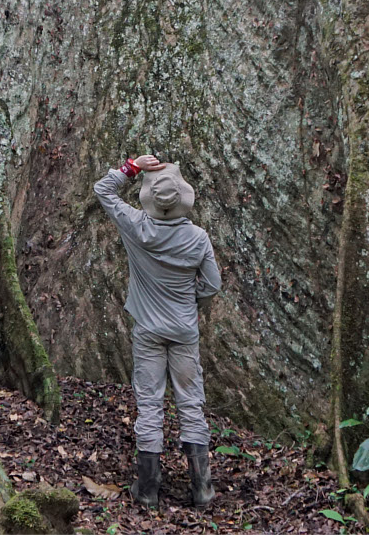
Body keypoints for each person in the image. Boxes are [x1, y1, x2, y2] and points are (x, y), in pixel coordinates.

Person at [93, 154, 222, 509]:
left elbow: (103, 191)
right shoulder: (198, 238)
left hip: (148, 330)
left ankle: (148, 489)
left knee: (150, 404)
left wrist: (132, 167)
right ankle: (203, 489)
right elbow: (212, 285)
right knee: (190, 404)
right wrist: (189, 304)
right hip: (184, 329)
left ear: (150, 199)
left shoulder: (136, 225)